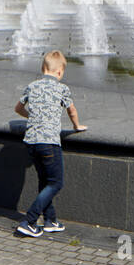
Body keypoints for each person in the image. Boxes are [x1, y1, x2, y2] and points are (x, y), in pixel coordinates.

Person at [13, 50, 87, 238]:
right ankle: (29, 221)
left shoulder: (32, 86)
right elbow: (71, 110)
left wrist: (33, 117)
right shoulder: (62, 89)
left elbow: (18, 108)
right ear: (60, 72)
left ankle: (50, 221)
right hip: (49, 143)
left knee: (45, 181)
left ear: (43, 68)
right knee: (57, 183)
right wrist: (77, 126)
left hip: (31, 142)